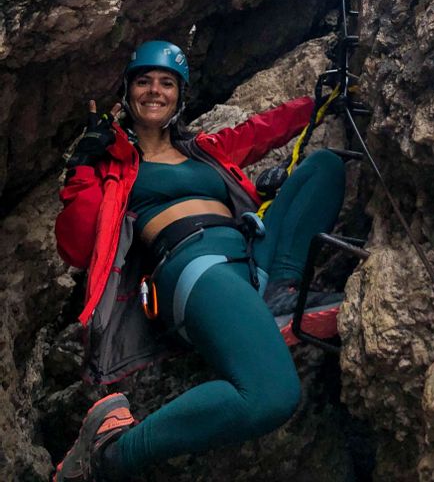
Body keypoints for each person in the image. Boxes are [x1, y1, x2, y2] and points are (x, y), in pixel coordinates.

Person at [54, 40, 346, 481]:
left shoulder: (204, 150)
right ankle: (111, 454)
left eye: (166, 83)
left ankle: (281, 294)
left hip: (250, 261)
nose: (155, 91)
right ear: (127, 93)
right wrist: (82, 163)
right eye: (144, 81)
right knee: (270, 395)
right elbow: (75, 247)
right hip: (192, 269)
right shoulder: (113, 165)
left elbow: (262, 130)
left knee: (324, 167)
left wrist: (322, 102)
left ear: (180, 95)